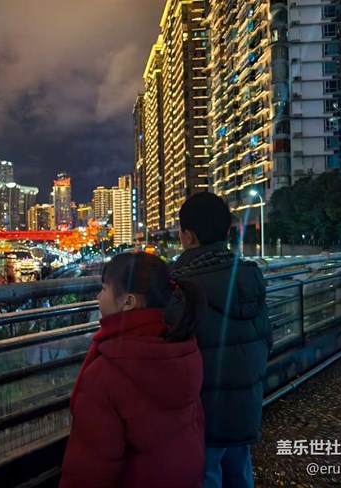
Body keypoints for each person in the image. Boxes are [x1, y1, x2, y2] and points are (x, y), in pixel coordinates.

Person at [60, 252, 206, 488]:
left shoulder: (105, 373)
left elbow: (90, 469)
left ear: (128, 302)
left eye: (104, 288)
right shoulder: (184, 349)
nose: (98, 296)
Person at [170, 191, 272, 488]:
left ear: (187, 236)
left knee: (206, 474)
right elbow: (267, 339)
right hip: (246, 409)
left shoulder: (180, 288)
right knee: (239, 471)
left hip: (202, 416)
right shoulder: (250, 277)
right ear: (227, 231)